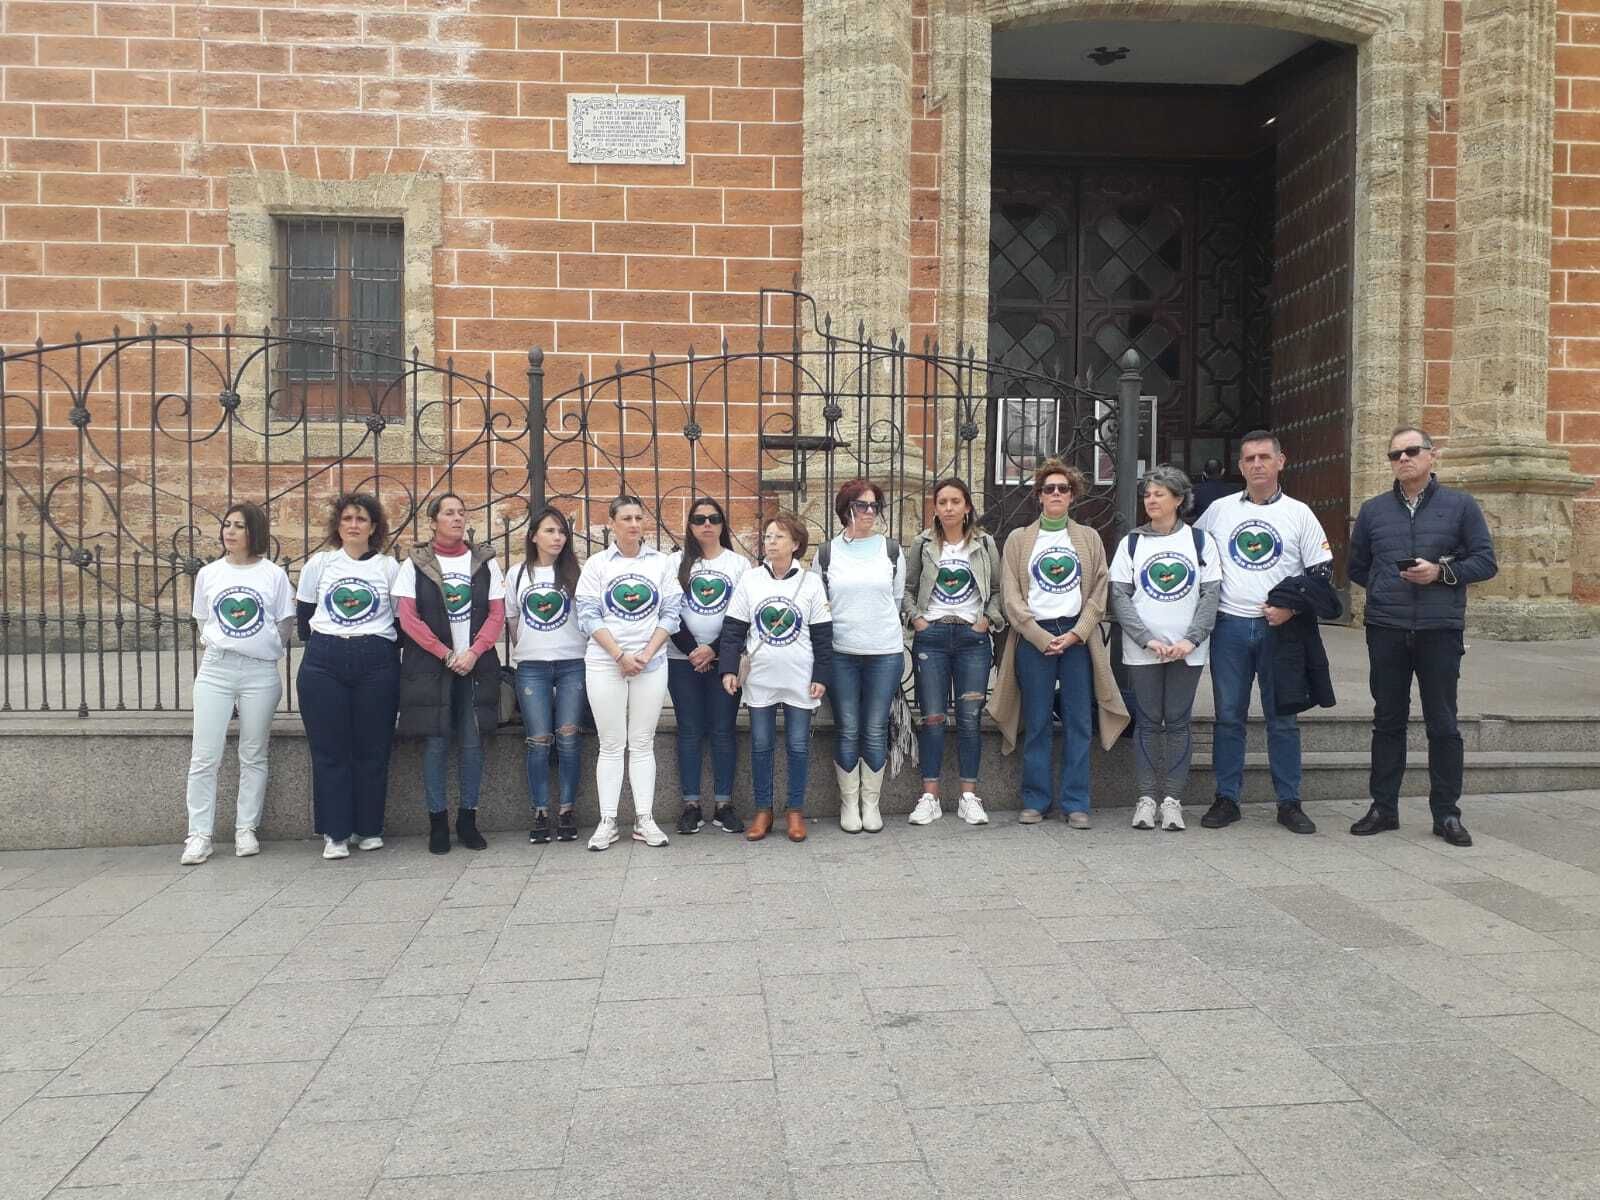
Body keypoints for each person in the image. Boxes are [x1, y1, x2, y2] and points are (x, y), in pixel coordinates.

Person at [1347, 426, 1497, 847]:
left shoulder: (1460, 506)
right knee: (1387, 720)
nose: (1403, 460)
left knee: (1443, 723)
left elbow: (1485, 562)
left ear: (1432, 456)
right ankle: (1383, 808)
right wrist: (1382, 590)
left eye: (1411, 451)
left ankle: (1446, 813)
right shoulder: (1374, 510)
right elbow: (1358, 566)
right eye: (1395, 455)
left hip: (1439, 629)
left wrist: (1441, 573)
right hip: (1388, 629)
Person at [1195, 430, 1334, 834]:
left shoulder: (1300, 513)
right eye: (1249, 458)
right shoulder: (1219, 511)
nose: (1257, 464)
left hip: (1280, 632)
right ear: (1239, 466)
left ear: (1280, 461)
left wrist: (1291, 607)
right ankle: (1226, 797)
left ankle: (1289, 802)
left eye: (1264, 457)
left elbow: (1321, 570)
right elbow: (1194, 554)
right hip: (1230, 628)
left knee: (1283, 719)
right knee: (1228, 717)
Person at [988, 461, 1129, 826]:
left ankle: (1076, 802)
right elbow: (1011, 595)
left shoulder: (1088, 538)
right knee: (1036, 721)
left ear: (1072, 495)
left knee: (1079, 721)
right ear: (1038, 496)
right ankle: (1036, 800)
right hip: (1034, 637)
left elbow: (1099, 592)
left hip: (1076, 638)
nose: (1055, 494)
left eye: (1062, 489)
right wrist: (1038, 635)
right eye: (1048, 488)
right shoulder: (1020, 539)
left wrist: (1077, 633)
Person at [181, 502, 295, 865]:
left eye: (239, 526)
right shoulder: (209, 574)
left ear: (254, 532)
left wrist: (258, 648)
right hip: (216, 668)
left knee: (254, 752)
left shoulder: (272, 575)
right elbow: (203, 620)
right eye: (226, 525)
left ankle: (246, 828)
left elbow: (284, 624)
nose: (229, 532)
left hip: (259, 671)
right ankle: (199, 834)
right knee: (204, 755)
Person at [1109, 466, 1221, 833]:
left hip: (1187, 651)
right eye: (1147, 494)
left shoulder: (1200, 542)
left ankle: (1172, 799)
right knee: (1147, 721)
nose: (1151, 500)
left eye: (1159, 493)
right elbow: (1120, 596)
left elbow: (1210, 593)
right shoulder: (1132, 543)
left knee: (1177, 721)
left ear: (1178, 499)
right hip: (1144, 651)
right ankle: (1145, 798)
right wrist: (1146, 638)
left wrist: (1191, 638)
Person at [394, 492, 505, 854]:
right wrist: (444, 653)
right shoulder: (416, 563)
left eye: (462, 512)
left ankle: (468, 819)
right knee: (436, 744)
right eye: (449, 513)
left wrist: (473, 652)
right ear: (433, 521)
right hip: (432, 667)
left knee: (472, 745)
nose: (457, 518)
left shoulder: (484, 561)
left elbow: (496, 613)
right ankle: (437, 821)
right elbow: (408, 618)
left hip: (475, 666)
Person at [575, 494, 684, 851]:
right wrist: (620, 654)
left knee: (641, 742)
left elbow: (671, 612)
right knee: (611, 743)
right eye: (626, 518)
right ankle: (607, 821)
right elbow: (588, 615)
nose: (634, 524)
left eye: (639, 517)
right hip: (606, 663)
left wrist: (646, 653)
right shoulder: (597, 564)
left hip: (650, 663)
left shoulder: (662, 563)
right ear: (612, 523)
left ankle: (644, 819)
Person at [719, 513, 833, 842]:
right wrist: (728, 669)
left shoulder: (811, 582)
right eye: (767, 537)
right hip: (760, 679)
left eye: (778, 537)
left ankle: (795, 811)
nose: (770, 542)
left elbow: (823, 636)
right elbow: (733, 631)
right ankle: (763, 811)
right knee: (760, 745)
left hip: (800, 677)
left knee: (798, 746)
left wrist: (820, 675)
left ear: (795, 545)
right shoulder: (751, 580)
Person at [902, 477, 1004, 827]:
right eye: (942, 501)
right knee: (932, 717)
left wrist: (986, 620)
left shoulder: (985, 543)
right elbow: (908, 588)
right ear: (936, 507)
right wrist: (917, 620)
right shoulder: (922, 544)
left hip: (971, 639)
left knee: (970, 718)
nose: (948, 507)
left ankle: (968, 797)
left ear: (967, 506)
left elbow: (998, 589)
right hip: (932, 637)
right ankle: (929, 796)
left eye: (955, 501)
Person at [813, 478, 905, 834]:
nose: (869, 512)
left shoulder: (891, 551)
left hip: (884, 651)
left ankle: (872, 803)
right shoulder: (827, 554)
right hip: (841, 653)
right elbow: (819, 606)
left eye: (874, 506)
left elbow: (895, 603)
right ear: (845, 510)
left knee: (875, 727)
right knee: (848, 727)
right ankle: (849, 803)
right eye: (861, 505)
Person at [667, 497, 750, 835]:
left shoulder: (739, 565)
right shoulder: (674, 563)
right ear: (690, 525)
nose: (706, 524)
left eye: (714, 518)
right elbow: (669, 613)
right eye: (699, 519)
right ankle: (690, 804)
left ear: (722, 524)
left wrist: (713, 652)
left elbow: (742, 616)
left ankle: (723, 804)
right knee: (688, 730)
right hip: (681, 659)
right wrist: (692, 651)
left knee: (722, 730)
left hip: (724, 661)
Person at [506, 506, 587, 845]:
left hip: (572, 663)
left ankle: (567, 810)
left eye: (562, 532)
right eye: (550, 531)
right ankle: (540, 811)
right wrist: (531, 646)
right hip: (532, 666)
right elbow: (512, 620)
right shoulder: (517, 574)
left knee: (568, 737)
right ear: (533, 535)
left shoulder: (576, 573)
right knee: (538, 741)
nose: (557, 537)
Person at [1190, 458, 1241, 522]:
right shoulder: (1235, 490)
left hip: (1203, 529)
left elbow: (1188, 513)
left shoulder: (1195, 490)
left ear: (1204, 474)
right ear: (1223, 471)